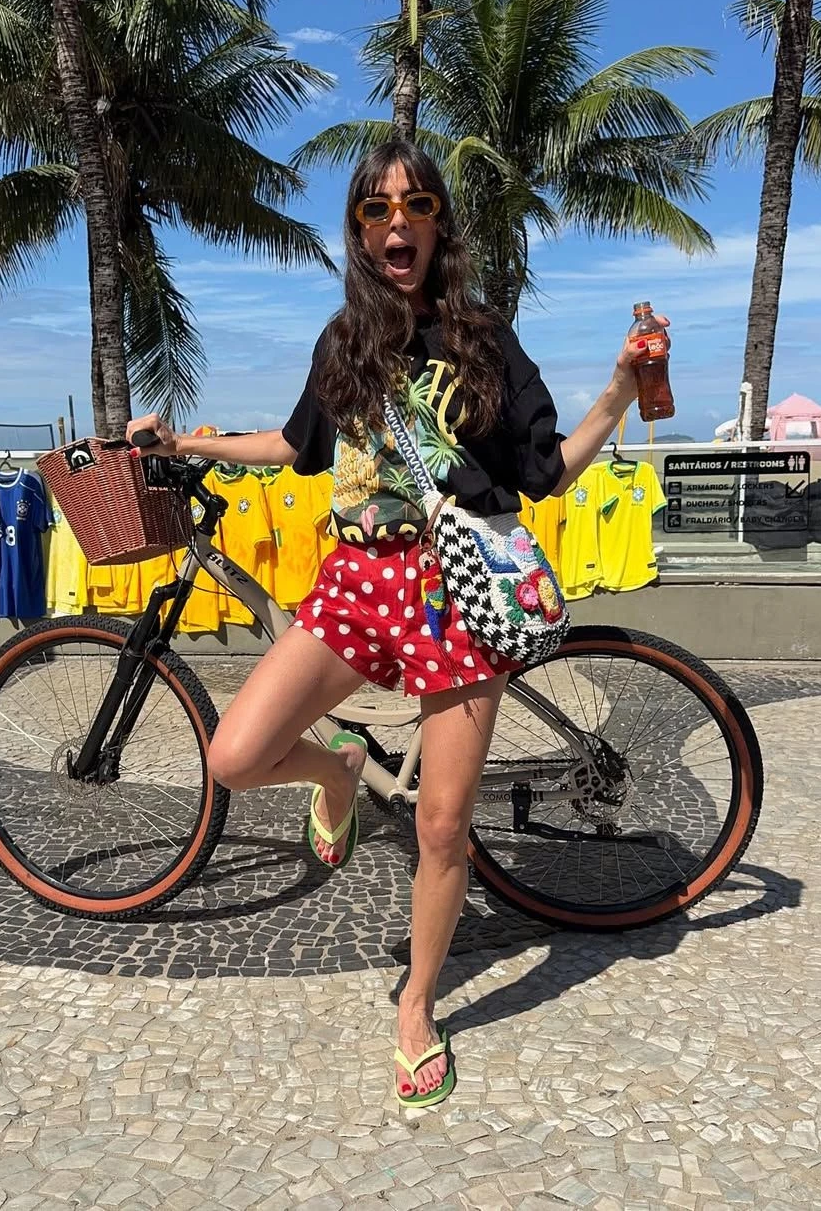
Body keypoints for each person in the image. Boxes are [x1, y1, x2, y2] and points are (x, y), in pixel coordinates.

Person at [126, 140, 669, 1107]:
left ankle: (418, 1005)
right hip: (355, 583)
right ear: (359, 232)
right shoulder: (345, 342)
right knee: (235, 757)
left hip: (455, 593)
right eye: (376, 210)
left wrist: (619, 390)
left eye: (415, 204)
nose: (397, 223)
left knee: (441, 824)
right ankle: (337, 770)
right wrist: (185, 441)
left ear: (438, 222)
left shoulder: (483, 338)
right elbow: (295, 446)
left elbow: (546, 474)